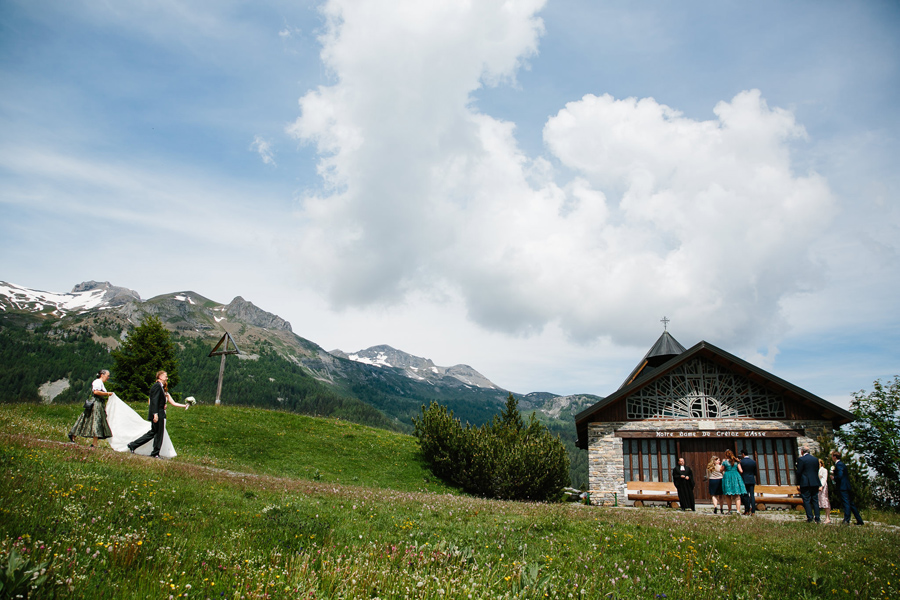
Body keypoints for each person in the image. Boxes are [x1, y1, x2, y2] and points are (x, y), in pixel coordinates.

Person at [126, 371, 186, 458]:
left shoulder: (159, 387)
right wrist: (155, 414)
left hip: (160, 412)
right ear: (160, 377)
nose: (167, 378)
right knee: (158, 434)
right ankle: (155, 453)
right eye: (166, 376)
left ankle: (133, 445)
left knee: (153, 432)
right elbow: (154, 401)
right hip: (158, 414)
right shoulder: (157, 386)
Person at [68, 369, 113, 447]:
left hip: (99, 403)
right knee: (96, 421)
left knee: (88, 420)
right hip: (96, 403)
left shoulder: (100, 383)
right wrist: (107, 393)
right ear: (102, 375)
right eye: (107, 375)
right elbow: (96, 392)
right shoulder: (97, 382)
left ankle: (74, 435)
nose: (108, 377)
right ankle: (92, 442)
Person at [830, 451, 864, 526]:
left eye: (832, 456)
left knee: (846, 503)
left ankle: (846, 520)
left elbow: (840, 475)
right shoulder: (841, 464)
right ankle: (859, 520)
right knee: (851, 504)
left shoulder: (839, 465)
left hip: (843, 487)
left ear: (834, 457)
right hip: (846, 486)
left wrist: (833, 477)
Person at [796, 446, 821, 523]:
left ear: (802, 452)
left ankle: (810, 517)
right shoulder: (815, 459)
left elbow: (799, 472)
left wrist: (798, 482)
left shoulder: (801, 459)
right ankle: (817, 517)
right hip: (814, 482)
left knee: (806, 500)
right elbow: (816, 470)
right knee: (815, 500)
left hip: (805, 482)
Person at [720, 449, 747, 515]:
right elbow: (741, 471)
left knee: (728, 495)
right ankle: (738, 510)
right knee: (737, 495)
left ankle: (730, 510)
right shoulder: (736, 461)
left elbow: (721, 470)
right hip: (735, 476)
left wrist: (722, 464)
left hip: (727, 477)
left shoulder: (725, 462)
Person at [739, 449, 758, 515]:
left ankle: (747, 510)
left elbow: (740, 471)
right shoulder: (753, 462)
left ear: (743, 454)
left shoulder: (741, 462)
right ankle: (753, 511)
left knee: (745, 495)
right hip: (751, 479)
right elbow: (755, 472)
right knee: (752, 495)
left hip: (744, 479)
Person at [818, 458, 832, 524]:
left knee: (824, 500)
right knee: (817, 501)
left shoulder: (824, 470)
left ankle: (827, 517)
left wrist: (821, 486)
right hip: (816, 486)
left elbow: (824, 479)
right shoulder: (816, 470)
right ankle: (817, 517)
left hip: (822, 486)